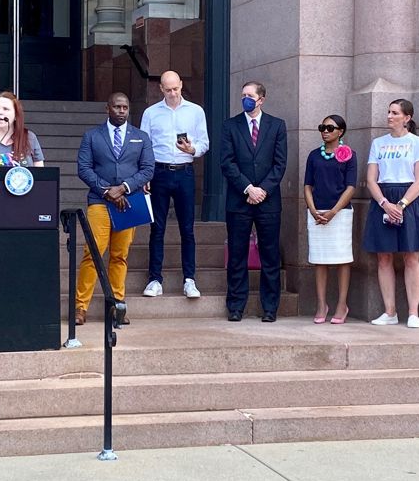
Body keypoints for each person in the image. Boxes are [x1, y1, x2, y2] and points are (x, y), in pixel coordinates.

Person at [73, 93, 155, 326]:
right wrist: (106, 191)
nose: (121, 111)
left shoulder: (141, 136)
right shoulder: (92, 136)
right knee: (94, 252)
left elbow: (148, 169)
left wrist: (124, 188)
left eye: (125, 107)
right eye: (117, 107)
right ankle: (81, 307)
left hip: (129, 201)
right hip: (99, 201)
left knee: (120, 255)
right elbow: (84, 168)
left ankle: (117, 307)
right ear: (107, 108)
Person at [362, 100, 419, 327]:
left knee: (411, 256)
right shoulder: (378, 143)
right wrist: (385, 203)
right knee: (383, 256)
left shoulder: (418, 143)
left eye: (395, 113)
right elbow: (371, 179)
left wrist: (401, 205)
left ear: (407, 118)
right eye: (388, 112)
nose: (389, 116)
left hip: (409, 200)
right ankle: (390, 311)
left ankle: (413, 313)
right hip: (383, 199)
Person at [221, 81, 289, 322]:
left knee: (270, 256)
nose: (245, 99)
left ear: (261, 99)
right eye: (243, 96)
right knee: (237, 255)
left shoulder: (277, 126)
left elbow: (280, 164)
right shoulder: (230, 126)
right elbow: (227, 163)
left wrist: (262, 190)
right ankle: (236, 306)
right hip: (239, 201)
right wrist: (248, 188)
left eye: (250, 96)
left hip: (268, 202)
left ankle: (270, 308)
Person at [139, 70, 209, 299]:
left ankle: (189, 279)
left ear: (181, 85)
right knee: (157, 228)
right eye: (167, 90)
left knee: (187, 229)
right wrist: (145, 175)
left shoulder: (195, 111)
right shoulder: (151, 113)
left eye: (175, 89)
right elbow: (144, 146)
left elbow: (204, 143)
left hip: (185, 171)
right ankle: (154, 279)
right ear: (160, 89)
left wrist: (192, 149)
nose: (172, 93)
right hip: (159, 171)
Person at [304, 115, 358, 324]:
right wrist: (312, 208)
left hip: (340, 213)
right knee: (320, 260)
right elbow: (308, 185)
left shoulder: (349, 155)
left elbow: (351, 186)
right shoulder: (313, 156)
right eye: (322, 127)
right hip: (317, 212)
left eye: (329, 128)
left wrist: (334, 211)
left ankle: (341, 304)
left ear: (340, 132)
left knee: (342, 259)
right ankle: (321, 304)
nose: (325, 131)